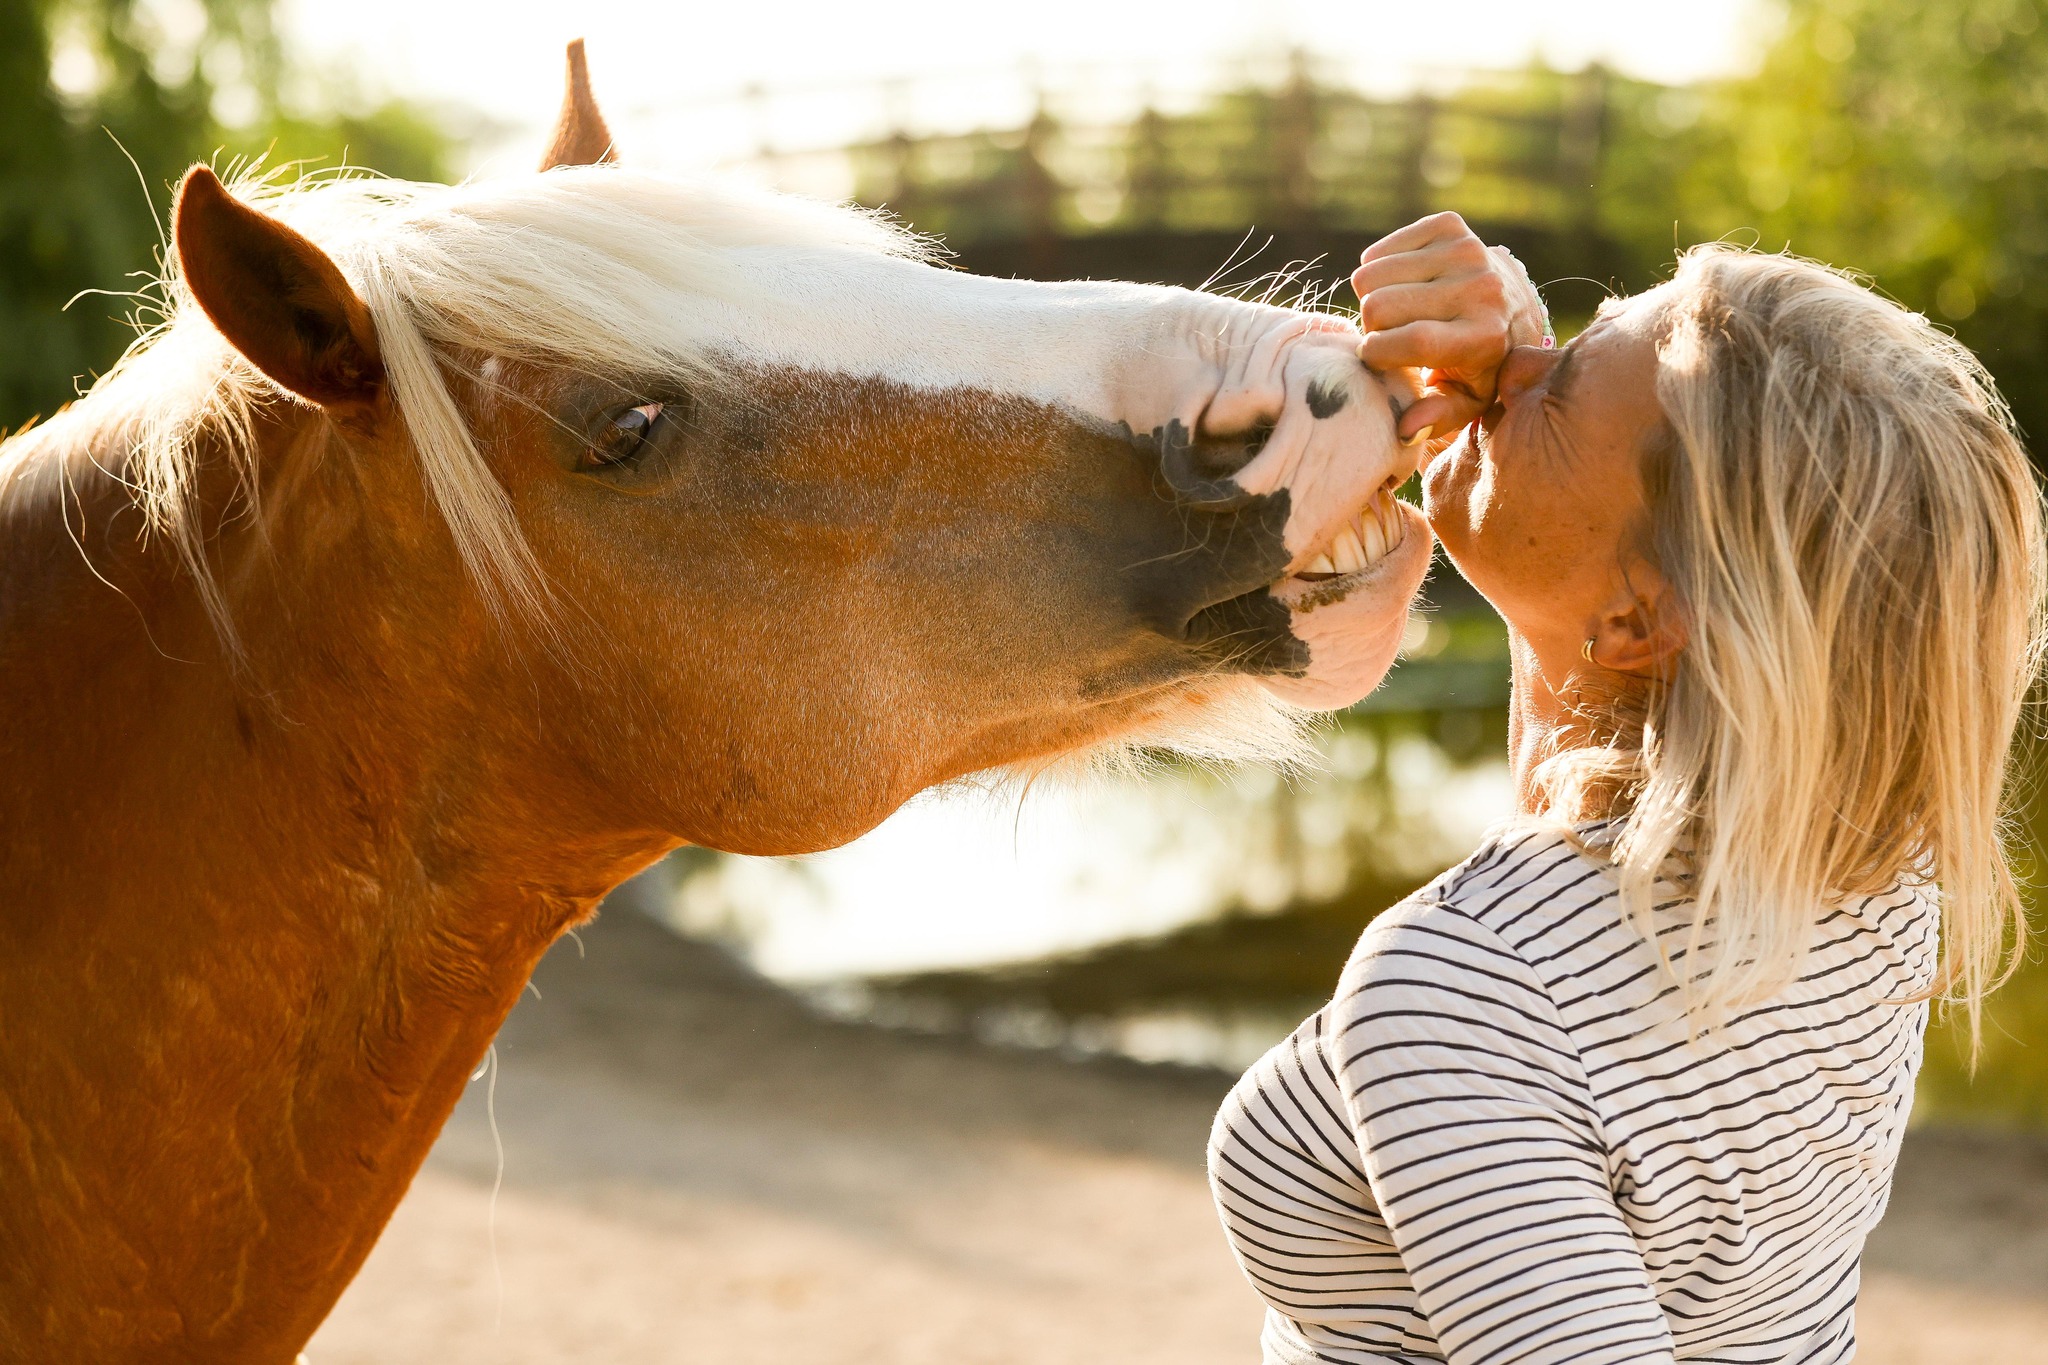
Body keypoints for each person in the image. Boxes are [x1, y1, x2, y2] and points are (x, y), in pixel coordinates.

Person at [1207, 214, 2047, 1364]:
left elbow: (1521, 990)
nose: (1520, 372)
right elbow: (1589, 717)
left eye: (1560, 383)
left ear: (1641, 619)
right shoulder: (1876, 873)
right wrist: (1544, 409)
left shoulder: (1467, 988)